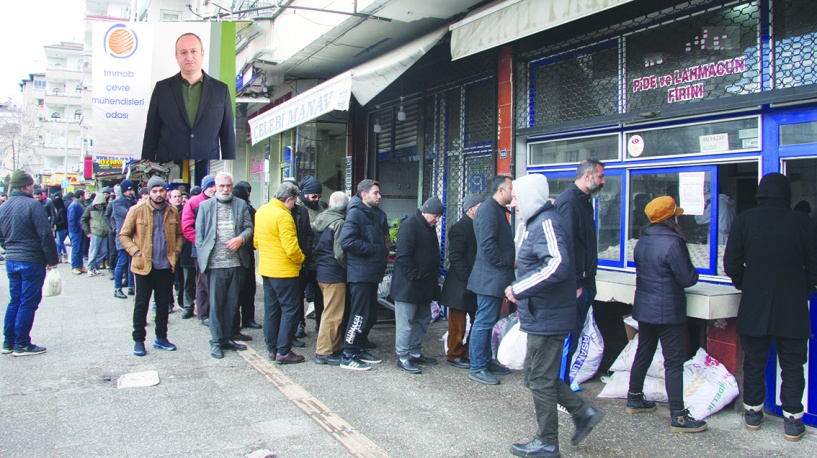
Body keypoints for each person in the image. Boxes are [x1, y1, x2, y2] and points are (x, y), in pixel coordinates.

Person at [505, 174, 604, 457]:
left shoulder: (546, 222)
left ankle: (547, 442)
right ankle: (582, 412)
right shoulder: (537, 223)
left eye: (516, 198)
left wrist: (519, 288)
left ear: (529, 197)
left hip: (549, 317)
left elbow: (559, 263)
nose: (513, 204)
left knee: (540, 379)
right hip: (541, 315)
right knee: (534, 376)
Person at [724, 173, 817, 442]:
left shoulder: (744, 220)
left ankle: (753, 414)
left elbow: (731, 264)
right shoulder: (803, 223)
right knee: (793, 364)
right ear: (786, 193)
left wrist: (747, 283)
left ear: (761, 193)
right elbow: (814, 267)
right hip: (793, 305)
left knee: (754, 361)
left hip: (755, 303)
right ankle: (793, 420)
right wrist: (805, 289)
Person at [625, 196, 706, 432]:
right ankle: (678, 416)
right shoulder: (674, 242)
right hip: (668, 312)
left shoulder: (643, 241)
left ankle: (634, 397)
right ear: (671, 217)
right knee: (673, 362)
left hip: (645, 308)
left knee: (644, 352)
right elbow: (687, 278)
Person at [141, 32, 235, 163]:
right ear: (177, 57)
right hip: (170, 161)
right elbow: (151, 133)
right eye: (183, 52)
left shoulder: (221, 90)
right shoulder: (161, 89)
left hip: (208, 160)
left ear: (202, 54)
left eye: (193, 51)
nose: (189, 57)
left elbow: (228, 135)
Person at [119, 176, 183, 357]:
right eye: (154, 191)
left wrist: (176, 251)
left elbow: (180, 234)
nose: (158, 194)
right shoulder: (137, 210)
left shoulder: (172, 211)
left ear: (166, 192)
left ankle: (161, 338)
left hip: (165, 265)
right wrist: (135, 252)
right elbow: (124, 234)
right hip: (143, 266)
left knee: (163, 304)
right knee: (141, 304)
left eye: (161, 190)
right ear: (149, 193)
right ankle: (138, 340)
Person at [555, 158, 605, 382]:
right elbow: (564, 244)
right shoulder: (569, 202)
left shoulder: (584, 201)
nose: (603, 181)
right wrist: (574, 283)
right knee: (567, 338)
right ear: (588, 176)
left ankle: (561, 384)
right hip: (575, 285)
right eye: (600, 176)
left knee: (573, 337)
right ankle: (559, 389)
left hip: (586, 282)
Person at [0, 170, 59, 356]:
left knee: (15, 300)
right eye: (32, 186)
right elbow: (45, 234)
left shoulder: (3, 207)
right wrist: (51, 260)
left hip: (11, 259)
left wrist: (9, 248)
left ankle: (8, 342)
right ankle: (22, 344)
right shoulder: (32, 205)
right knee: (28, 302)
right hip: (31, 260)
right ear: (26, 186)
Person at [196, 173, 254, 359]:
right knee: (216, 305)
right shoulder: (205, 207)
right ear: (215, 186)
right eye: (221, 186)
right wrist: (204, 258)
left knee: (232, 304)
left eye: (228, 185)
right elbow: (199, 237)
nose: (225, 189)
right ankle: (216, 341)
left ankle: (228, 337)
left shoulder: (241, 204)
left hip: (236, 262)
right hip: (215, 264)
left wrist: (240, 239)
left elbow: (249, 228)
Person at [466, 175, 516, 385]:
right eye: (511, 188)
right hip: (489, 277)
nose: (514, 192)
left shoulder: (496, 209)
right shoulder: (488, 209)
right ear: (501, 190)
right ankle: (477, 366)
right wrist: (506, 262)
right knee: (483, 322)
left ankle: (485, 360)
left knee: (488, 320)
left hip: (495, 277)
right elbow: (487, 245)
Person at [337, 179, 389, 371]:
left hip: (374, 272)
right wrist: (374, 249)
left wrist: (384, 251)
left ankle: (359, 347)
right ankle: (348, 353)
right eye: (375, 193)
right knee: (358, 314)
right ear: (363, 194)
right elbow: (347, 242)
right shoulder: (355, 214)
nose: (379, 196)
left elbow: (385, 239)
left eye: (379, 192)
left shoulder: (379, 214)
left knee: (370, 314)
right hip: (360, 273)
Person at [391, 197, 444, 374]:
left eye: (439, 217)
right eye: (435, 215)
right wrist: (416, 276)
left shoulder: (427, 226)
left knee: (423, 318)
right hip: (409, 285)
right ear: (425, 211)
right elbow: (403, 256)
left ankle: (414, 352)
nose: (437, 219)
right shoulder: (410, 225)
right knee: (406, 322)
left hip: (424, 284)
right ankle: (403, 356)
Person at [255, 181, 306, 364]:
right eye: (294, 201)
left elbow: (256, 242)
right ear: (288, 199)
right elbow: (291, 248)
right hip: (285, 271)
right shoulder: (283, 216)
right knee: (290, 310)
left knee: (271, 310)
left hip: (267, 269)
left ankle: (272, 349)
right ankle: (284, 351)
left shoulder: (262, 211)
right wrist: (302, 259)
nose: (294, 205)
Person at [439, 194, 482, 369]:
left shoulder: (478, 226)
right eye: (480, 206)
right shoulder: (460, 227)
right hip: (460, 284)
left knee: (477, 319)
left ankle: (468, 351)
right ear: (471, 209)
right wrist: (468, 278)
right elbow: (455, 257)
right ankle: (454, 354)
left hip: (475, 282)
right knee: (457, 323)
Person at [313, 191, 349, 365]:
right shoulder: (339, 223)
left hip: (321, 271)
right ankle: (323, 351)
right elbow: (340, 253)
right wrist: (347, 267)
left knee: (331, 311)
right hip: (334, 274)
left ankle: (335, 347)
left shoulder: (320, 218)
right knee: (333, 314)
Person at [182, 175, 216, 325]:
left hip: (218, 249)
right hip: (200, 249)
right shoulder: (194, 202)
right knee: (202, 282)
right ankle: (204, 314)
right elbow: (187, 227)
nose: (214, 189)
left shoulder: (219, 201)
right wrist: (200, 243)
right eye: (211, 186)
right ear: (204, 188)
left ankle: (214, 312)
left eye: (216, 186)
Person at [232, 181, 262, 330]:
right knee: (238, 290)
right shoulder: (237, 208)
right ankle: (236, 323)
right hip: (236, 254)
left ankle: (248, 319)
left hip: (248, 252)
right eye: (247, 191)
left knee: (249, 288)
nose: (249, 194)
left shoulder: (250, 208)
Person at [297, 176, 324, 335]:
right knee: (298, 295)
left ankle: (321, 324)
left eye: (319, 196)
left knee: (320, 296)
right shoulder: (297, 208)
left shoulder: (321, 207)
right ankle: (299, 325)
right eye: (314, 196)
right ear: (304, 194)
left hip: (317, 260)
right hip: (301, 259)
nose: (316, 199)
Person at [112, 179, 137, 298]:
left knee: (132, 263)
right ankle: (117, 288)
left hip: (134, 237)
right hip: (123, 237)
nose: (131, 192)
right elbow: (129, 214)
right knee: (122, 262)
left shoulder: (133, 201)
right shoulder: (117, 203)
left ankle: (131, 286)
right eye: (129, 190)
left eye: (132, 190)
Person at [81, 193, 109, 277]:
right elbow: (83, 220)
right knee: (93, 252)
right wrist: (87, 232)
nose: (100, 205)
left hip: (104, 233)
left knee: (103, 252)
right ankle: (90, 268)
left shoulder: (105, 208)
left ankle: (95, 268)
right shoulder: (89, 208)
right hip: (95, 233)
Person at [67, 190, 87, 275]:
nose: (85, 197)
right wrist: (75, 230)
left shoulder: (80, 204)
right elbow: (71, 219)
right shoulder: (74, 205)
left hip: (81, 230)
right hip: (76, 231)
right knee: (76, 249)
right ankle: (75, 266)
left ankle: (80, 265)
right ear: (80, 196)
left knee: (81, 249)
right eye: (84, 195)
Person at [52, 193, 69, 263]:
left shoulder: (61, 210)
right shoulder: (60, 209)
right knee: (58, 242)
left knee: (59, 242)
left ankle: (65, 254)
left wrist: (56, 224)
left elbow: (63, 220)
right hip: (60, 228)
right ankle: (59, 255)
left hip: (61, 228)